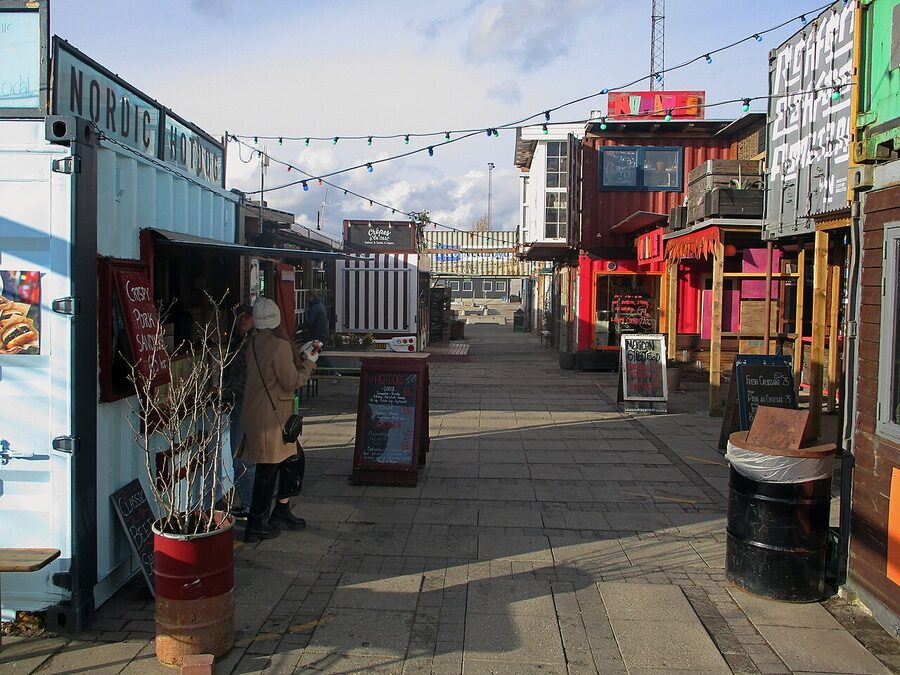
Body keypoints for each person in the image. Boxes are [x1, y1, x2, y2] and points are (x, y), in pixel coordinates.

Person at [240, 298, 317, 542]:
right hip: (273, 418)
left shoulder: (253, 343)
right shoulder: (279, 346)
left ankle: (280, 511)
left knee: (290, 459)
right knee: (269, 468)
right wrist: (310, 363)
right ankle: (257, 523)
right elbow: (291, 382)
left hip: (257, 413)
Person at [222, 304, 254, 518]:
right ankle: (250, 503)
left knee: (241, 457)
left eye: (246, 317)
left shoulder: (251, 343)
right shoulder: (236, 339)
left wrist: (225, 392)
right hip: (235, 402)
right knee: (239, 456)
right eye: (239, 317)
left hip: (243, 403)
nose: (242, 321)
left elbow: (244, 377)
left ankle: (250, 504)